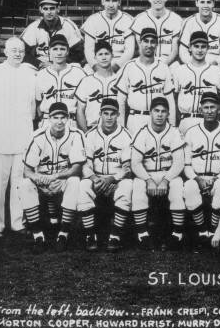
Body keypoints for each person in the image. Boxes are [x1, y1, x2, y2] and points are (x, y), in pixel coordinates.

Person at [0, 37, 37, 243]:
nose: (18, 53)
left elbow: (33, 106)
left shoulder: (30, 74)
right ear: (5, 51)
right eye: (14, 50)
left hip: (22, 135)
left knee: (19, 181)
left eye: (21, 50)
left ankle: (18, 222)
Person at [20, 102, 85, 253]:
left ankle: (63, 234)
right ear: (49, 119)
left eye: (63, 117)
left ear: (68, 118)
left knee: (75, 182)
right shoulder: (37, 136)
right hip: (42, 181)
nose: (60, 121)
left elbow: (77, 168)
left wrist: (56, 177)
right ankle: (38, 236)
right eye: (55, 117)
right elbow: (27, 171)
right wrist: (38, 178)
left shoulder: (76, 134)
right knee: (24, 184)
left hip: (62, 179)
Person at [130, 97, 186, 251]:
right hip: (146, 174)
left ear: (168, 113)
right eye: (156, 111)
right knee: (137, 186)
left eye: (163, 111)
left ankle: (177, 234)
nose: (160, 115)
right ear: (150, 113)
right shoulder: (142, 132)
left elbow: (179, 162)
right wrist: (148, 180)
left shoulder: (174, 132)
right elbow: (135, 163)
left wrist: (166, 180)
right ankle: (142, 234)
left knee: (177, 186)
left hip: (169, 174)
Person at [78, 99, 133, 252]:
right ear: (100, 114)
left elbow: (127, 168)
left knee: (128, 186)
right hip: (96, 178)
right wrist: (95, 179)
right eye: (105, 113)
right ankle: (90, 236)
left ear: (118, 115)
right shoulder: (90, 135)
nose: (109, 117)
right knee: (82, 186)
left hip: (116, 179)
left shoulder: (126, 135)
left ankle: (115, 236)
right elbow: (85, 164)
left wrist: (113, 179)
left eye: (112, 114)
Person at [182, 92, 220, 247]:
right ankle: (202, 231)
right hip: (197, 177)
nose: (210, 111)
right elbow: (187, 165)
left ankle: (213, 230)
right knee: (189, 188)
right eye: (206, 107)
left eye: (213, 107)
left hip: (219, 177)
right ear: (201, 109)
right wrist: (197, 179)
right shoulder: (191, 132)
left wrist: (216, 179)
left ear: (219, 109)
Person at [115, 27, 176, 135]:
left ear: (157, 44)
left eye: (153, 42)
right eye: (146, 41)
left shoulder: (163, 67)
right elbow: (120, 101)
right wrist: (121, 128)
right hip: (136, 119)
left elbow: (170, 101)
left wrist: (172, 127)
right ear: (140, 42)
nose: (149, 45)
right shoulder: (129, 66)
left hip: (159, 120)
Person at [171, 31, 220, 135]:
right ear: (190, 48)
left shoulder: (216, 71)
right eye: (196, 46)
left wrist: (217, 119)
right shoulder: (179, 71)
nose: (200, 50)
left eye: (203, 46)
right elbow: (174, 99)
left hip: (208, 122)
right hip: (186, 119)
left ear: (208, 48)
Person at [35, 34, 86, 129]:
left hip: (70, 122)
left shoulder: (78, 73)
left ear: (67, 51)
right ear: (49, 51)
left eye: (62, 49)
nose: (59, 53)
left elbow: (83, 104)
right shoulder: (41, 75)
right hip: (47, 122)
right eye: (55, 49)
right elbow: (38, 103)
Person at [20, 0, 83, 69]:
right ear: (41, 10)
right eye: (45, 9)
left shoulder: (68, 26)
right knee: (24, 67)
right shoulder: (33, 27)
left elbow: (79, 53)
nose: (49, 12)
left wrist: (58, 63)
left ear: (58, 9)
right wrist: (39, 64)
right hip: (40, 65)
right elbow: (22, 52)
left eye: (52, 8)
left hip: (63, 65)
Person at [81, 0, 134, 73]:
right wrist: (95, 67)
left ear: (119, 2)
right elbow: (88, 49)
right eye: (107, 0)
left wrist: (115, 67)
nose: (111, 5)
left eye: (114, 1)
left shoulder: (128, 19)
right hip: (98, 61)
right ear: (102, 1)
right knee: (85, 72)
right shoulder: (93, 20)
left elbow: (129, 51)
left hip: (120, 62)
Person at [179, 0, 220, 73]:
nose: (205, 5)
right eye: (202, 2)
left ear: (213, 3)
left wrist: (216, 62)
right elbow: (183, 49)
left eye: (208, 2)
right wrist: (190, 63)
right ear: (197, 3)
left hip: (215, 61)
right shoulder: (189, 21)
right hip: (193, 60)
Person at [130, 0, 183, 66]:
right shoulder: (140, 18)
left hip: (169, 62)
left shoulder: (176, 19)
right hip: (146, 61)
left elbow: (174, 50)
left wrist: (163, 65)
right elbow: (141, 48)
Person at [75, 41, 118, 132]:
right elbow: (80, 111)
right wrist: (86, 132)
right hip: (92, 129)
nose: (104, 57)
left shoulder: (120, 80)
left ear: (112, 56)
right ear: (95, 57)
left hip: (116, 131)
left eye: (107, 54)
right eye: (100, 54)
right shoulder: (86, 81)